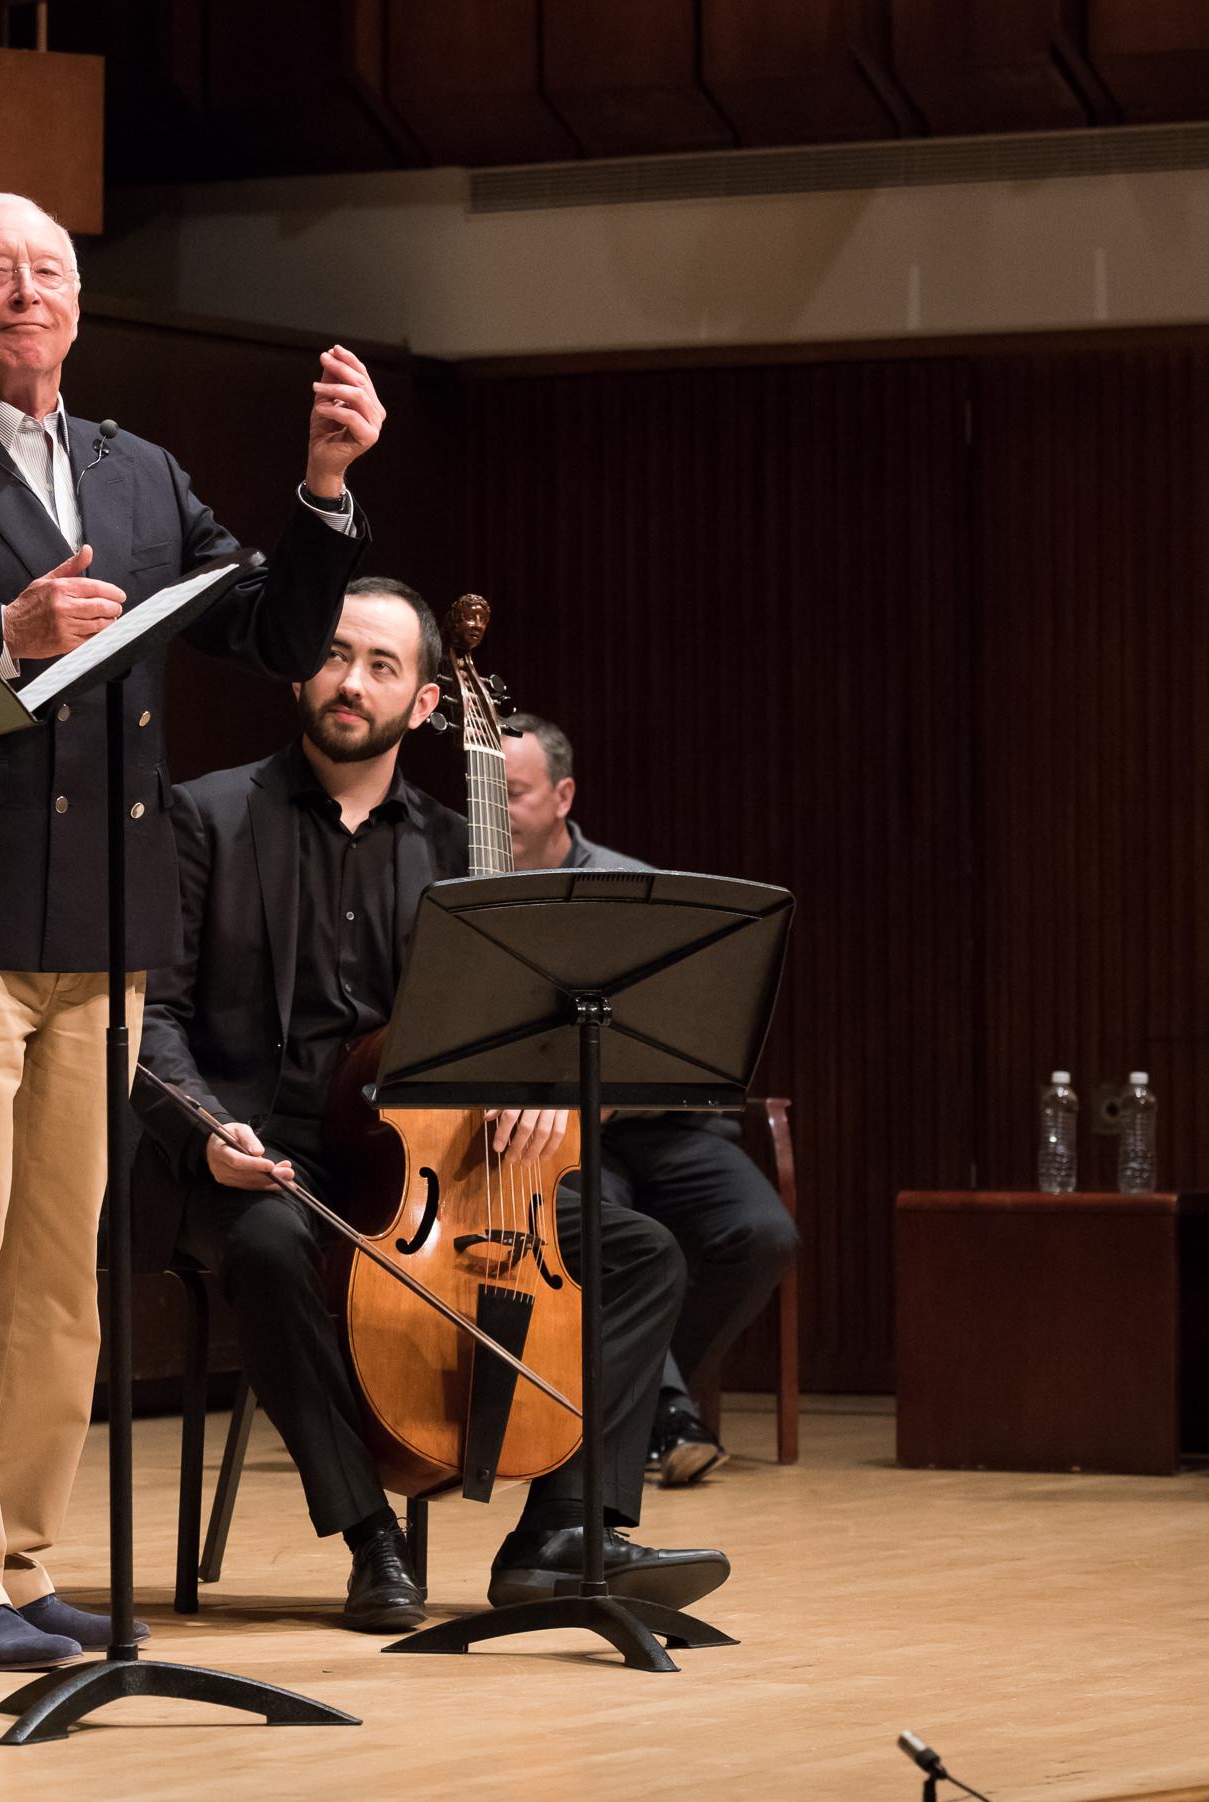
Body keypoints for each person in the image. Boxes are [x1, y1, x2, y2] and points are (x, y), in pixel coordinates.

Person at [0, 190, 383, 1671]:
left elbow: (271, 631)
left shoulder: (138, 469)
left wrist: (321, 488)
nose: (26, 293)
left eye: (49, 272)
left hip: (101, 933)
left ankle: (22, 1556)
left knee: (54, 1277)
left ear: (79, 306)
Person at [133, 578, 731, 1632]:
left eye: (381, 665)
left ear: (423, 704)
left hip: (429, 1165)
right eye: (333, 653)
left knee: (642, 1251)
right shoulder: (208, 816)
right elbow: (156, 1014)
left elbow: (529, 1020)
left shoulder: (465, 847)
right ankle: (368, 1533)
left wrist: (543, 1093)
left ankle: (560, 1531)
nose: (350, 680)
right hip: (267, 1150)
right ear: (297, 669)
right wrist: (205, 1130)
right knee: (271, 1246)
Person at [501, 711, 800, 1485]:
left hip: (660, 1123)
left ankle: (646, 1397)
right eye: (483, 794)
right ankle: (665, 1417)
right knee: (612, 1236)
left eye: (515, 794)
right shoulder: (470, 886)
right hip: (556, 1137)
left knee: (764, 1233)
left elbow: (678, 1031)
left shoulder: (628, 888)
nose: (494, 812)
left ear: (564, 795)